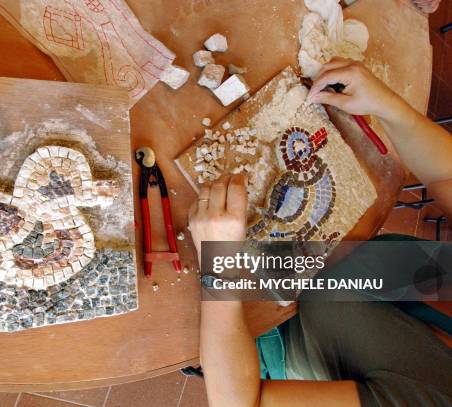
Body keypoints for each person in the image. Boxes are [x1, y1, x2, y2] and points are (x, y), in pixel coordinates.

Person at [188, 57, 452, 407]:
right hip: (341, 259)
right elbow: (446, 177)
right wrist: (387, 106)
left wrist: (219, 262)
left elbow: (240, 402)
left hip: (271, 324)